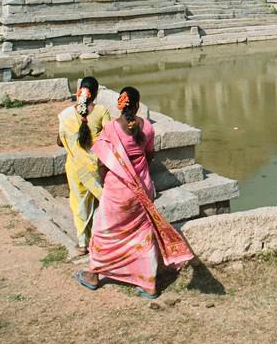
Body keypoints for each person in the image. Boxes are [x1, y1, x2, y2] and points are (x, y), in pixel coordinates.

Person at [75, 87, 194, 298]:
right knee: (142, 234)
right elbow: (149, 156)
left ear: (119, 105)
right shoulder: (146, 127)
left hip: (117, 191)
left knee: (105, 232)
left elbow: (102, 163)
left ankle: (94, 274)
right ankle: (148, 284)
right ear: (137, 105)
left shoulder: (111, 128)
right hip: (141, 189)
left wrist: (108, 180)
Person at [57, 76, 110, 256]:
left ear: (79, 91)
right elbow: (109, 137)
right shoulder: (101, 111)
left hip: (74, 166)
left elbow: (59, 141)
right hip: (94, 166)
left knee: (78, 203)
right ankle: (99, 240)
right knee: (96, 202)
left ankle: (82, 244)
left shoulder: (66, 115)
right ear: (95, 94)